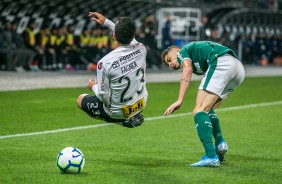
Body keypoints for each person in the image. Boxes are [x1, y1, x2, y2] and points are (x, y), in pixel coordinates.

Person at [161, 41, 245, 167]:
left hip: (222, 62)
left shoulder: (183, 52)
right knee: (207, 108)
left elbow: (187, 69)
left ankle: (211, 156)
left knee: (199, 110)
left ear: (177, 51)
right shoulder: (195, 57)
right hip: (238, 69)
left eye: (169, 59)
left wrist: (180, 99)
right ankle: (220, 144)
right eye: (167, 63)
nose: (170, 64)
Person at [77, 12, 148, 128]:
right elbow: (128, 34)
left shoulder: (104, 63)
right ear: (133, 34)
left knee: (80, 99)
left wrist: (93, 86)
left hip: (117, 112)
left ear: (114, 36)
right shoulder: (141, 48)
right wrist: (106, 22)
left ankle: (123, 121)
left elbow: (103, 96)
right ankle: (130, 116)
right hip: (141, 103)